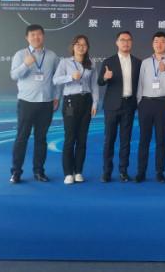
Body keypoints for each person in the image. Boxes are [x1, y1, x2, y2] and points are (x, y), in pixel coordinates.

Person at [9, 24, 59, 183]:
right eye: (32, 35)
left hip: (46, 103)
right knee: (21, 138)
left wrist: (56, 97)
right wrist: (26, 64)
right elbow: (13, 75)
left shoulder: (52, 56)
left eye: (39, 34)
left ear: (43, 36)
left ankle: (39, 171)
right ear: (27, 37)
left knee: (41, 139)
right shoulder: (20, 54)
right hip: (27, 102)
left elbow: (57, 79)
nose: (36, 37)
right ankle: (16, 172)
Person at [53, 35, 99, 185]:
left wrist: (95, 103)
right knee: (70, 137)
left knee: (82, 138)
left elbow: (94, 85)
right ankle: (68, 173)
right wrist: (70, 77)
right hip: (70, 103)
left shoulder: (91, 63)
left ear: (87, 47)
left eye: (84, 44)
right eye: (78, 44)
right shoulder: (65, 62)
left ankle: (78, 171)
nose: (81, 47)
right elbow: (55, 80)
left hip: (86, 102)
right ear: (73, 46)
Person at [98, 31, 141, 183]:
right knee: (109, 139)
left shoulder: (137, 62)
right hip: (112, 106)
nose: (125, 43)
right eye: (122, 40)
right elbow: (100, 82)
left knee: (125, 140)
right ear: (117, 42)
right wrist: (105, 77)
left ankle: (123, 171)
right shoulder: (109, 61)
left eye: (128, 40)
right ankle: (107, 172)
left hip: (129, 105)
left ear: (132, 43)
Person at [136, 32, 165, 183]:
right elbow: (140, 83)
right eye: (156, 41)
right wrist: (139, 102)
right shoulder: (145, 62)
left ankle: (160, 172)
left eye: (162, 41)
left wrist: (164, 67)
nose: (159, 44)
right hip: (146, 103)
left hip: (162, 103)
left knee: (161, 139)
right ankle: (141, 172)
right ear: (152, 44)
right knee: (144, 139)